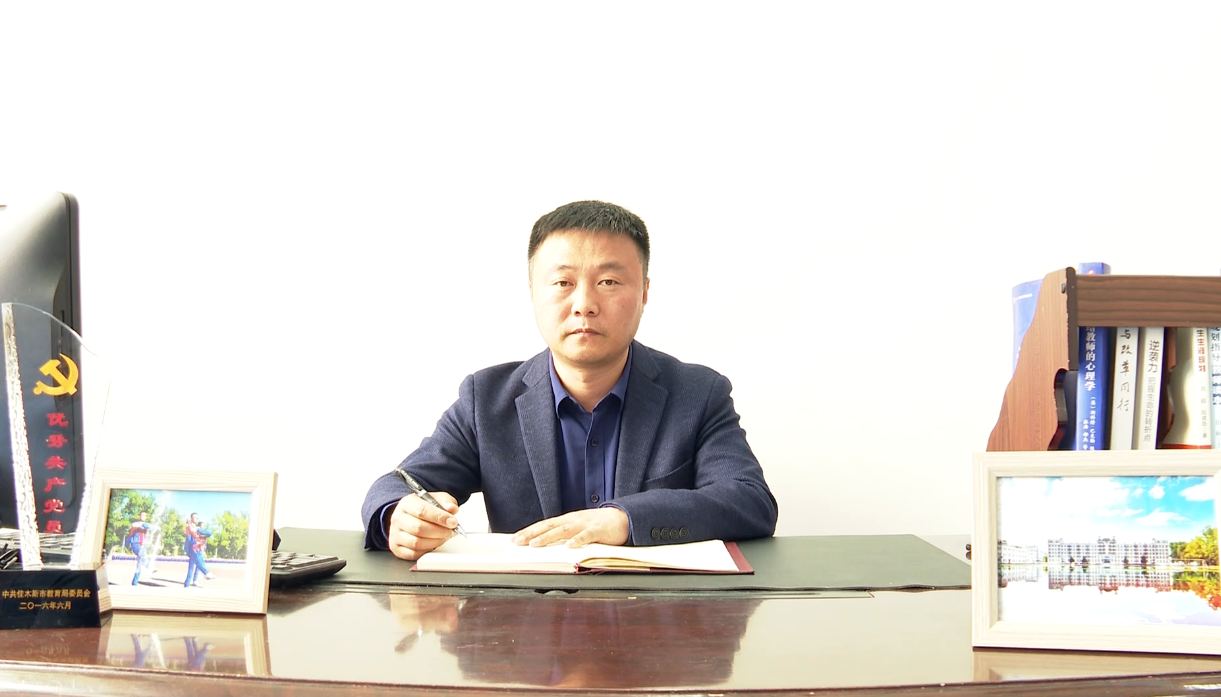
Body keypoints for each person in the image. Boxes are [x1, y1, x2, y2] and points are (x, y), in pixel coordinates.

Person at [362, 200, 778, 561]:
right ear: (532, 292)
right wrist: (398, 516)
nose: (584, 305)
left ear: (645, 292)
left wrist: (625, 519)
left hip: (654, 617)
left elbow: (749, 500)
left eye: (608, 282)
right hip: (522, 622)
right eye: (563, 282)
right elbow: (396, 485)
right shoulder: (485, 400)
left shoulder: (698, 394)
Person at [183, 513, 215, 587]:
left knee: (191, 568)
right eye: (195, 517)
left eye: (197, 517)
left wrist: (200, 532)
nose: (196, 519)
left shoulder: (197, 529)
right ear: (191, 518)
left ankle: (187, 584)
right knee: (198, 560)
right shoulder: (189, 527)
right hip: (192, 548)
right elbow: (188, 539)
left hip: (197, 549)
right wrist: (187, 549)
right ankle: (206, 573)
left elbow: (209, 533)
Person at [125, 511, 151, 586]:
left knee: (139, 565)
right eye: (142, 515)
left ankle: (134, 582)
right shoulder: (135, 524)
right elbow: (131, 533)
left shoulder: (146, 526)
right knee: (142, 556)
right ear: (139, 516)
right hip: (136, 544)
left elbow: (148, 528)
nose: (143, 517)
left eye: (145, 515)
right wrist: (127, 543)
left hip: (143, 546)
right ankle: (149, 566)